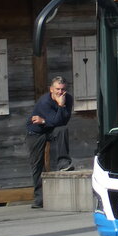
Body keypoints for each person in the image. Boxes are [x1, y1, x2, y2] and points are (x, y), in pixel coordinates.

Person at [27, 76, 73, 208]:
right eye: (57, 89)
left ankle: (63, 163)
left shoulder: (67, 99)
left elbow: (63, 121)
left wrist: (60, 106)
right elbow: (57, 119)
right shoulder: (44, 101)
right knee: (37, 164)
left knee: (62, 129)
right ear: (51, 89)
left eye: (63, 89)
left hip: (50, 128)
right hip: (35, 132)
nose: (60, 92)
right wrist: (50, 119)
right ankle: (39, 199)